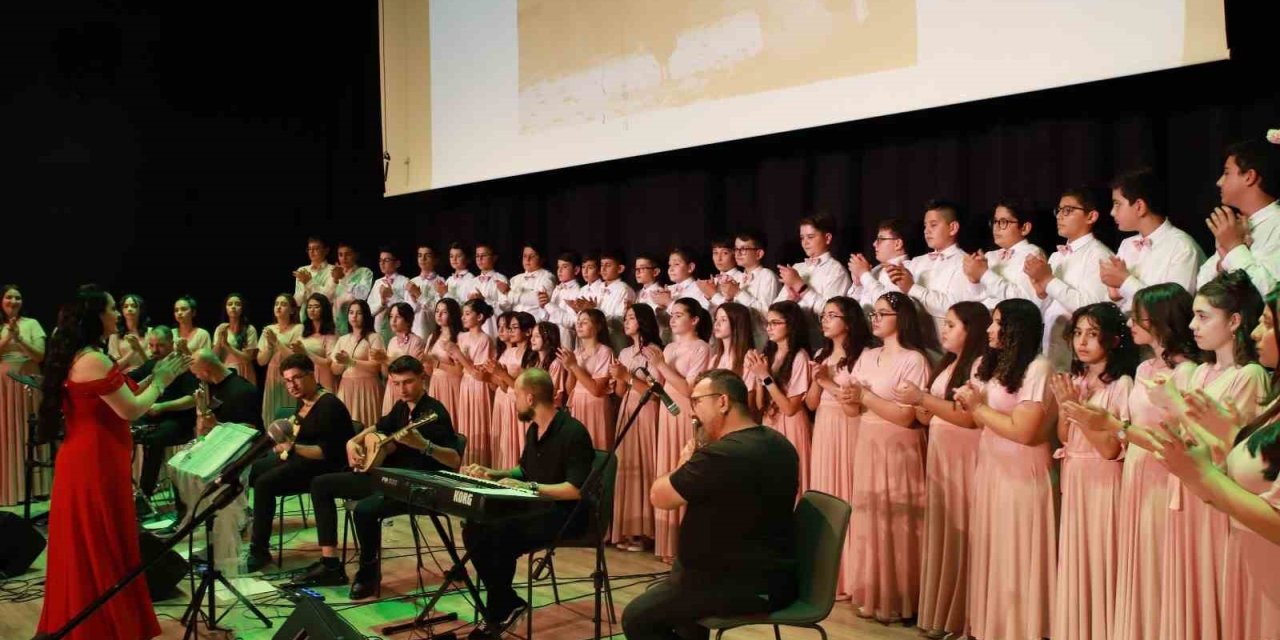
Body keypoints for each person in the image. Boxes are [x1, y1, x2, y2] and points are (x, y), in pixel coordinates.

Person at [36, 286, 190, 640]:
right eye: (110, 308)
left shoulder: (88, 356)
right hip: (94, 466)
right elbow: (132, 409)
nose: (117, 314)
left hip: (93, 462)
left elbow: (126, 394)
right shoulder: (93, 359)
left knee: (101, 544)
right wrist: (163, 380)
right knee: (102, 544)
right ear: (96, 316)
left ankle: (104, 623)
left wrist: (154, 374)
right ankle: (103, 627)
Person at [622, 369, 799, 640]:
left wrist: (685, 459)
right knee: (677, 611)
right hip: (770, 576)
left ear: (723, 402)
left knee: (637, 618)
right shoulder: (780, 443)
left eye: (697, 402)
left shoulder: (722, 455)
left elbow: (661, 498)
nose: (692, 413)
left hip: (736, 583)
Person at [1150, 284, 1280, 639]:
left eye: (1203, 316)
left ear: (1233, 321)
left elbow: (1240, 459)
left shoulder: (1250, 374)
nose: (1193, 325)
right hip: (1202, 491)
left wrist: (1181, 410)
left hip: (1228, 504)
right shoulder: (1199, 373)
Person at [298, 356, 461, 598]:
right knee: (320, 484)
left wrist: (424, 445)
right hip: (387, 477)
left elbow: (455, 460)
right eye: (396, 383)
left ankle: (368, 575)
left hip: (417, 484)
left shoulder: (435, 412)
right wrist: (354, 441)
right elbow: (378, 426)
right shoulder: (401, 407)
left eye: (408, 382)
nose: (402, 389)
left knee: (364, 510)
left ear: (422, 379)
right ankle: (330, 563)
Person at [460, 368, 596, 639]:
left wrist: (529, 487)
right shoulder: (534, 429)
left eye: (517, 396)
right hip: (538, 507)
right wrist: (493, 473)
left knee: (500, 533)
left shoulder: (573, 432)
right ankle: (506, 603)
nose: (515, 401)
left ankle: (499, 611)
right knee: (474, 527)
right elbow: (524, 470)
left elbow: (575, 490)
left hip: (567, 515)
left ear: (531, 398)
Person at [956, 298, 1057, 640]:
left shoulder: (1039, 368)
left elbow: (1024, 431)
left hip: (1022, 471)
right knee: (993, 550)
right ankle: (991, 627)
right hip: (993, 466)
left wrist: (977, 408)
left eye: (997, 322)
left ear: (1016, 329)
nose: (989, 329)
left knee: (1018, 554)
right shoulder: (995, 364)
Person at [894, 301, 991, 640]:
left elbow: (967, 416)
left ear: (972, 329)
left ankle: (963, 616)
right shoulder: (947, 363)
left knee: (963, 528)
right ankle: (942, 612)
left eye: (951, 325)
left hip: (965, 451)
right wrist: (914, 401)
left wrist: (922, 398)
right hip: (940, 450)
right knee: (944, 529)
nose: (944, 330)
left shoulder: (980, 365)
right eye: (945, 324)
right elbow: (930, 413)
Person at [1048, 302, 1137, 640]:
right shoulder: (1076, 379)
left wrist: (1079, 408)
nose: (1082, 342)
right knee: (1078, 560)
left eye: (1092, 334)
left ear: (1114, 340)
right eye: (1078, 333)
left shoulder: (1121, 384)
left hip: (1103, 478)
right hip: (1075, 474)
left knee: (1102, 560)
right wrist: (1065, 408)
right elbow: (1063, 435)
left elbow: (1111, 447)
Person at [847, 291, 932, 622]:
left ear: (902, 318)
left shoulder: (914, 360)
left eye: (883, 313)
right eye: (874, 313)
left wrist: (864, 396)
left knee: (899, 522)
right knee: (870, 518)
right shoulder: (867, 355)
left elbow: (905, 416)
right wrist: (846, 395)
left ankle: (901, 597)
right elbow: (852, 407)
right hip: (868, 440)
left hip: (898, 447)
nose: (876, 319)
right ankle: (872, 592)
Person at [245, 354, 353, 572]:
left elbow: (326, 453)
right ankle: (248, 525)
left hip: (325, 466)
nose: (291, 385)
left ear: (312, 375)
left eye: (296, 378)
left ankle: (260, 549)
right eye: (287, 380)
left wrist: (291, 448)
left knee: (266, 484)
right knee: (254, 468)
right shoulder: (304, 400)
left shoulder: (328, 405)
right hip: (301, 460)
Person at [645, 297, 712, 563]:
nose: (673, 319)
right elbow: (661, 386)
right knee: (667, 468)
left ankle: (686, 544)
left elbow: (689, 388)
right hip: (667, 409)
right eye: (671, 314)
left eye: (679, 314)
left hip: (686, 410)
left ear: (694, 320)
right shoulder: (670, 347)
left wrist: (661, 365)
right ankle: (667, 543)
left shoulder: (701, 348)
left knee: (685, 469)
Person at [1026, 187, 1115, 369]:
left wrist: (1048, 280)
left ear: (1091, 217)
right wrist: (1041, 291)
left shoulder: (1100, 256)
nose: (1059, 216)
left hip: (1078, 356)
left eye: (1068, 211)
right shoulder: (1056, 256)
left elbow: (1092, 309)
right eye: (1058, 210)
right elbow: (1047, 308)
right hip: (1050, 347)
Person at [1101, 168, 1203, 312]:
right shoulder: (1127, 245)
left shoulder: (1182, 247)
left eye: (1117, 204)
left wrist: (1125, 281)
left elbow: (1174, 310)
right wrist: (1114, 296)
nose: (1112, 212)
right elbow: (1118, 306)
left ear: (1139, 207)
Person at [609, 304, 665, 551]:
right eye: (625, 317)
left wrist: (628, 377)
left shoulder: (653, 352)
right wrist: (619, 377)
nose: (627, 321)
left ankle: (646, 532)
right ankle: (628, 529)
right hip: (627, 409)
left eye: (631, 317)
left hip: (646, 410)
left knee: (644, 465)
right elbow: (620, 391)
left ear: (643, 321)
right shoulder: (624, 352)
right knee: (627, 466)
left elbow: (654, 393)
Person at [1196, 139, 1280, 295]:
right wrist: (1223, 262)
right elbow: (1201, 286)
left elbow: (1270, 294)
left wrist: (1235, 248)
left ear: (1249, 176)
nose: (1219, 182)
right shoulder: (1236, 226)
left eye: (1227, 173)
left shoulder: (1276, 224)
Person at [748, 300, 812, 494]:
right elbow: (760, 404)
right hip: (770, 423)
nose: (769, 328)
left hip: (791, 426)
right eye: (768, 323)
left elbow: (790, 408)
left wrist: (765, 377)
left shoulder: (800, 356)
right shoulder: (770, 353)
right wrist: (758, 375)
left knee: (790, 485)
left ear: (790, 325)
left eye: (775, 323)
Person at [129, 326, 199, 501]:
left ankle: (145, 494)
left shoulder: (183, 364)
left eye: (159, 345)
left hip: (178, 420)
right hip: (154, 416)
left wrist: (163, 406)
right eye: (151, 346)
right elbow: (130, 381)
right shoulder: (152, 364)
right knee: (124, 429)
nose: (154, 350)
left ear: (171, 344)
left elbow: (193, 399)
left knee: (154, 439)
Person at [888, 199, 969, 339]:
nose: (927, 231)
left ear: (953, 228)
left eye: (933, 225)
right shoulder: (917, 262)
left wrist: (912, 288)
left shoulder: (964, 263)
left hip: (943, 345)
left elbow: (954, 308)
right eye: (925, 226)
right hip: (910, 342)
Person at [775, 214, 852, 348]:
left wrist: (800, 286)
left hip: (820, 344)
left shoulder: (836, 271)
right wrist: (789, 300)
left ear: (827, 238)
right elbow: (776, 308)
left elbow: (832, 314)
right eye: (802, 238)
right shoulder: (798, 267)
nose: (805, 242)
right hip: (791, 342)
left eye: (810, 237)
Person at [0, 283, 47, 505]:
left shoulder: (32, 324)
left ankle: (37, 488)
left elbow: (40, 356)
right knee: (7, 433)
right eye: (9, 297)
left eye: (18, 297)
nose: (14, 301)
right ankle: (9, 488)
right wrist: (8, 338)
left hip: (29, 380)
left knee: (30, 431)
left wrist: (19, 338)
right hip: (3, 384)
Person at [962, 199, 1046, 309]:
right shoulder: (990, 256)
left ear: (1025, 228)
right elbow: (974, 301)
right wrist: (974, 281)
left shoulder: (1033, 254)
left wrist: (984, 274)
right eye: (995, 221)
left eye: (1003, 222)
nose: (996, 228)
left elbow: (1024, 301)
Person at [718, 230, 780, 346]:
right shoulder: (739, 278)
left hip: (760, 341)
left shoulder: (767, 276)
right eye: (736, 249)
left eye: (744, 249)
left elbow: (768, 314)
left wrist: (738, 293)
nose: (738, 253)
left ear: (759, 254)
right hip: (739, 340)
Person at [257, 293, 304, 425]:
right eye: (276, 304)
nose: (278, 307)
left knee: (288, 413)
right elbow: (261, 361)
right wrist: (270, 346)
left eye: (283, 304)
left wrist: (276, 342)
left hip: (290, 376)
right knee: (270, 414)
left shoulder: (298, 328)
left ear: (292, 310)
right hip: (272, 376)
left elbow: (296, 358)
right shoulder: (269, 329)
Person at [847, 218, 910, 312]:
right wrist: (858, 284)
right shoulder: (876, 270)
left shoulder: (906, 270)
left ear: (898, 244)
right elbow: (853, 310)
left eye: (881, 239)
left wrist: (864, 274)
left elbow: (889, 306)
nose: (874, 244)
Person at [212, 292, 259, 386]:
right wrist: (219, 342)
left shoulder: (249, 329)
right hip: (226, 370)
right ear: (225, 308)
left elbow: (248, 358)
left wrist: (227, 345)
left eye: (237, 304)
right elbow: (214, 357)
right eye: (229, 304)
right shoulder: (221, 328)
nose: (233, 307)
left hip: (244, 371)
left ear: (242, 308)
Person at [331, 241, 374, 335]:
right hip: (335, 326)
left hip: (355, 325)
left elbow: (363, 295)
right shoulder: (335, 273)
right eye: (340, 255)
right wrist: (334, 280)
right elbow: (326, 299)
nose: (344, 258)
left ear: (356, 255)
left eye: (348, 254)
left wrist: (343, 278)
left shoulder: (364, 272)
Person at [368, 247, 411, 343]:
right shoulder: (378, 282)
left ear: (397, 263)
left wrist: (391, 296)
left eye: (386, 260)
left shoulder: (404, 281)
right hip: (378, 331)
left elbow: (408, 308)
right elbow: (369, 310)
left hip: (398, 332)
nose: (382, 263)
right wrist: (382, 303)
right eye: (380, 260)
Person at [407, 244, 445, 340]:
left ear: (436, 260)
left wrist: (418, 295)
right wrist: (414, 301)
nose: (422, 259)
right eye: (419, 255)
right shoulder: (412, 282)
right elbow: (407, 311)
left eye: (427, 256)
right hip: (412, 331)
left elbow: (436, 310)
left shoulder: (440, 282)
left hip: (431, 331)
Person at [293, 236, 337, 315]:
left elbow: (327, 298)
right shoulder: (302, 270)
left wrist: (308, 282)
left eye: (316, 248)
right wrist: (304, 289)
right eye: (309, 249)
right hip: (305, 316)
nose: (312, 251)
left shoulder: (332, 270)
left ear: (326, 250)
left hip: (325, 317)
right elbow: (298, 301)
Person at [105, 292, 147, 373]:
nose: (129, 309)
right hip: (124, 377)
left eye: (134, 306)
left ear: (140, 309)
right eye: (126, 306)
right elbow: (114, 368)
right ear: (122, 310)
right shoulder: (115, 334)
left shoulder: (150, 332)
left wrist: (138, 347)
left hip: (144, 375)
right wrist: (133, 350)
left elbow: (150, 364)